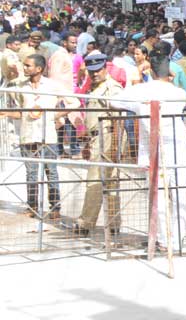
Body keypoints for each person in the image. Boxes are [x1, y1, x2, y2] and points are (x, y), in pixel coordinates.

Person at [112, 52, 186, 250]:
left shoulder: (140, 91)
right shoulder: (178, 93)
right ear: (171, 74)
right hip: (179, 151)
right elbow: (183, 100)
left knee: (158, 198)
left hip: (154, 152)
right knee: (180, 197)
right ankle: (177, 241)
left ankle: (164, 240)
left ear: (150, 70)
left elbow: (114, 101)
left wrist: (136, 83)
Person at [2, 54, 73, 219]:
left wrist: (54, 116)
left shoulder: (52, 86)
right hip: (28, 135)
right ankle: (32, 206)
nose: (24, 68)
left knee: (51, 172)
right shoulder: (21, 87)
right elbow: (21, 112)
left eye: (28, 66)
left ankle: (55, 207)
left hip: (48, 135)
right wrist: (7, 114)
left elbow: (74, 102)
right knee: (31, 173)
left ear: (39, 69)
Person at [74, 53, 125, 236]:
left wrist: (115, 146)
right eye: (91, 71)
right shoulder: (95, 87)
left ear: (105, 68)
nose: (94, 74)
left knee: (95, 181)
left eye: (98, 70)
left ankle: (86, 223)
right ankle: (113, 223)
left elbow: (120, 118)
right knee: (110, 182)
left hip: (109, 136)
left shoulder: (112, 88)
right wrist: (87, 143)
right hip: (97, 137)